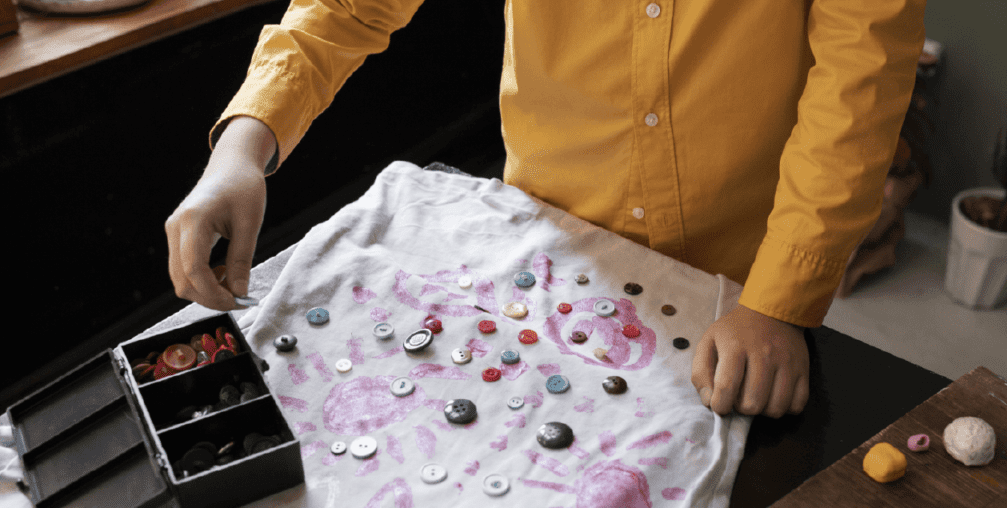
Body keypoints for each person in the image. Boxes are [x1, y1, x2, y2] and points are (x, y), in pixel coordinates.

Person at [165, 0, 927, 420]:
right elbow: (348, 5)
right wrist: (244, 144)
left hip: (737, 285)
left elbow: (861, 78)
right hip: (545, 253)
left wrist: (779, 300)